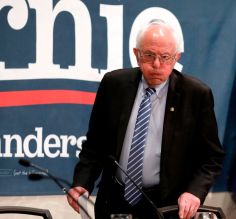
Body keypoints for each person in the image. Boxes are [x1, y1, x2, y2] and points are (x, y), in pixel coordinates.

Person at [67, 20, 225, 219]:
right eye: (149, 55)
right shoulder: (114, 85)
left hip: (167, 205)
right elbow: (94, 145)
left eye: (165, 57)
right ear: (137, 54)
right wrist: (82, 182)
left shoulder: (195, 95)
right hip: (115, 200)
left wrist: (194, 192)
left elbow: (211, 157)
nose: (157, 64)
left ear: (176, 58)